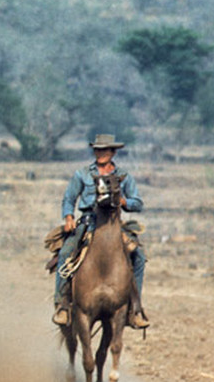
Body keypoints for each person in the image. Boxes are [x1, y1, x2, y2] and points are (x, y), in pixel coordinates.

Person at [53, 134, 150, 329]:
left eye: (105, 150)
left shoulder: (124, 176)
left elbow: (138, 202)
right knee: (65, 253)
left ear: (113, 152)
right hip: (88, 222)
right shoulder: (82, 174)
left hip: (114, 224)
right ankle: (62, 304)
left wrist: (124, 202)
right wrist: (69, 218)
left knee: (138, 257)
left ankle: (134, 309)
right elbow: (69, 198)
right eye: (97, 150)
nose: (100, 153)